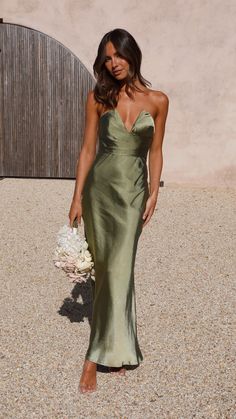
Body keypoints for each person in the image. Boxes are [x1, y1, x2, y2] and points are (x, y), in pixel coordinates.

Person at [68, 28, 169, 393]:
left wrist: (154, 192)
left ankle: (95, 355)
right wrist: (77, 196)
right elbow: (86, 150)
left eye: (119, 55)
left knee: (121, 268)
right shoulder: (98, 97)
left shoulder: (158, 100)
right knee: (105, 270)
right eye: (107, 58)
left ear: (132, 54)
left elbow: (155, 151)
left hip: (132, 194)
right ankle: (113, 349)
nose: (114, 63)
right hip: (100, 192)